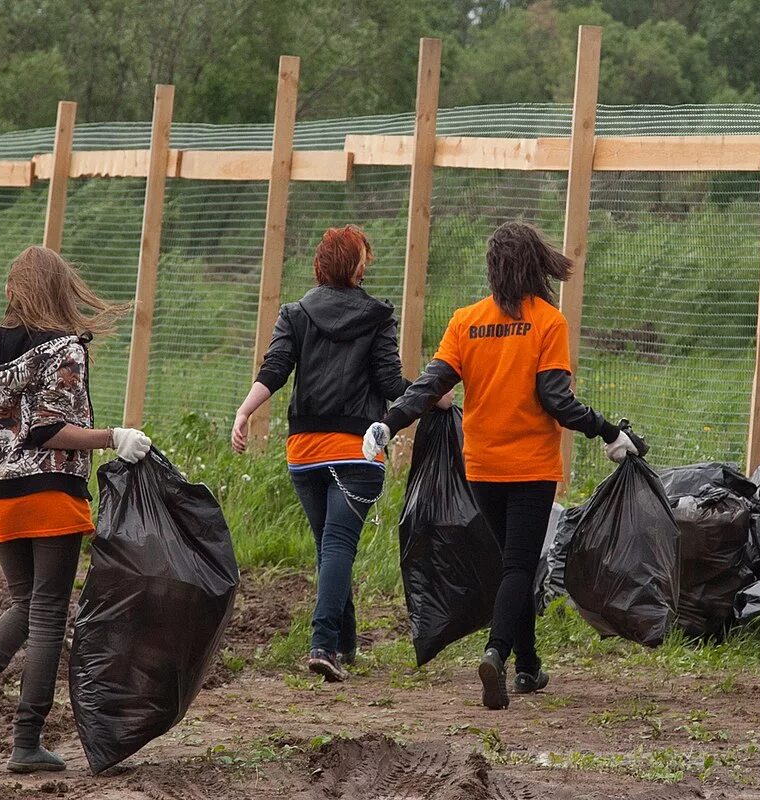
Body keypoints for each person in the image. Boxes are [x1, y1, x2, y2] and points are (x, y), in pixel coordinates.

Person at [362, 220, 642, 710]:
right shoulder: (547, 322)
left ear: (493, 269)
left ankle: (528, 666)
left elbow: (429, 386)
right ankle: (496, 652)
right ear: (535, 265)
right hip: (531, 467)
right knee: (519, 564)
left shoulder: (466, 320)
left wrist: (388, 423)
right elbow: (557, 399)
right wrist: (610, 431)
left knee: (516, 566)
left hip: (482, 467)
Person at [0, 245, 151, 772]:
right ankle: (26, 742)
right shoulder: (63, 350)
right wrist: (114, 437)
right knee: (49, 614)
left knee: (27, 603)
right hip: (49, 493)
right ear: (58, 291)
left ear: (11, 291)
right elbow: (48, 431)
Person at [232, 225, 417, 683]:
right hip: (358, 450)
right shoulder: (377, 315)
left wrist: (244, 412)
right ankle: (323, 644)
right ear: (358, 267)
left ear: (320, 264)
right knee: (337, 546)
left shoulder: (295, 313)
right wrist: (431, 394)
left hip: (306, 451)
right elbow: (392, 384)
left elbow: (274, 371)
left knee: (331, 546)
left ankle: (345, 643)